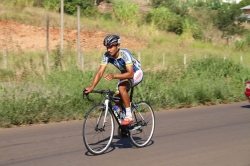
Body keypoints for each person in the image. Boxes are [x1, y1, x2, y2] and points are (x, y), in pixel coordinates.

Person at [84, 34, 143, 125]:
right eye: (107, 47)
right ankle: (124, 127)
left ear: (118, 45)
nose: (109, 50)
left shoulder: (125, 54)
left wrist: (114, 76)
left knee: (121, 88)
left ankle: (129, 116)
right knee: (116, 98)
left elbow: (131, 74)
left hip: (136, 73)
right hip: (125, 74)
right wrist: (91, 87)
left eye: (111, 47)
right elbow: (100, 72)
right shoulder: (107, 55)